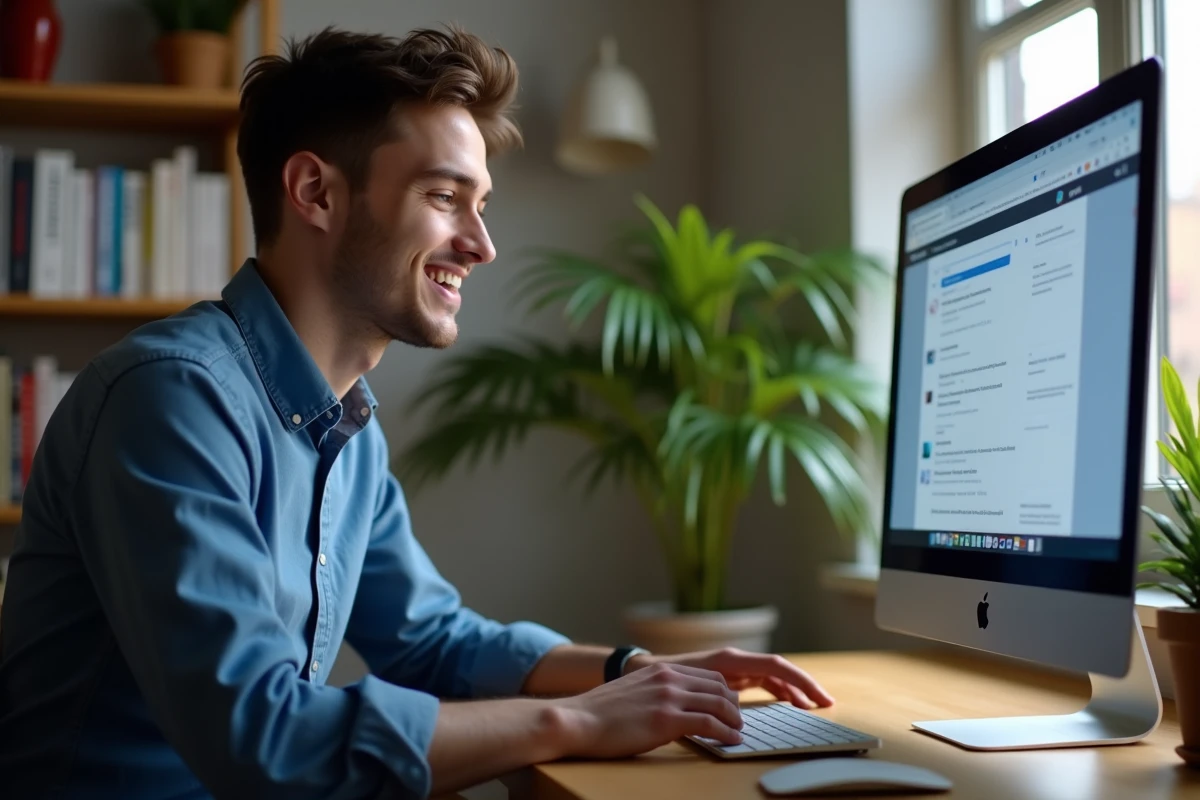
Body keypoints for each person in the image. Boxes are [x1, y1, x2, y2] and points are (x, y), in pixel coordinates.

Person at [0, 25, 834, 799]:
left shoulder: (343, 426)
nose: (482, 244)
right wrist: (578, 719)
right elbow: (260, 738)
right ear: (315, 193)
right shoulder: (172, 398)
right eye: (446, 196)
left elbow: (434, 641)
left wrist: (637, 670)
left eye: (483, 205)